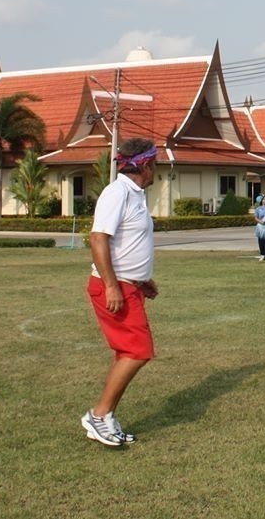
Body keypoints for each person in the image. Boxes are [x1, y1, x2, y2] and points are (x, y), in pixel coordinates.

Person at [80, 137, 161, 447]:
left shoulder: (135, 194)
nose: (157, 170)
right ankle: (99, 415)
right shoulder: (117, 192)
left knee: (128, 352)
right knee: (138, 351)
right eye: (154, 164)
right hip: (114, 287)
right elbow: (98, 238)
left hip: (129, 285)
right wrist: (113, 285)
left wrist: (142, 280)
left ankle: (106, 416)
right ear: (144, 165)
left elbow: (126, 244)